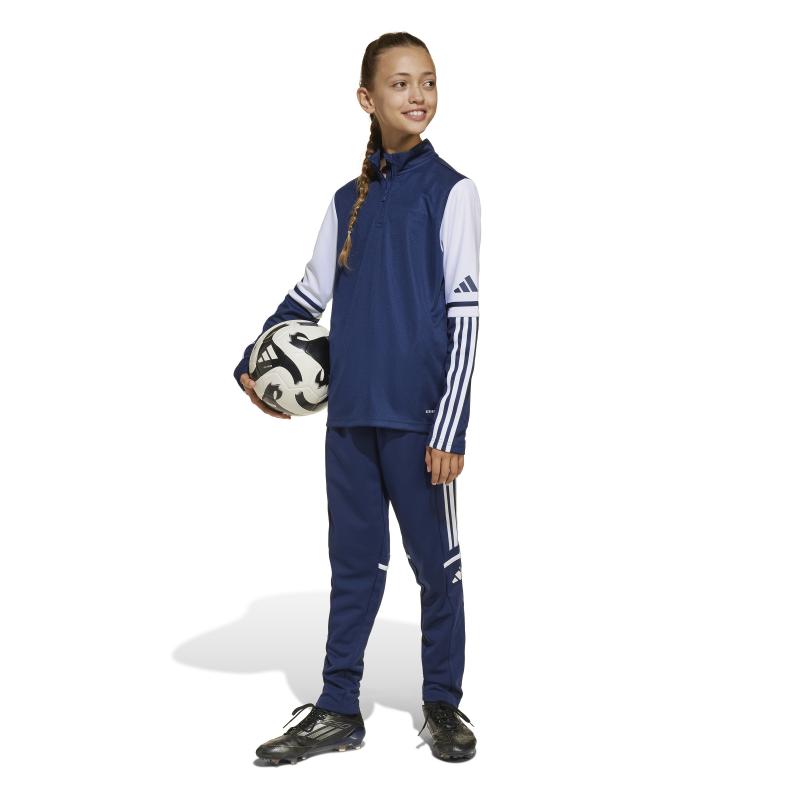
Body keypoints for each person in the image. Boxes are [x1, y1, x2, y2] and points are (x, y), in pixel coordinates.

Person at [234, 32, 481, 765]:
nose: (418, 95)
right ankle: (339, 707)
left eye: (428, 81)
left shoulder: (452, 192)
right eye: (401, 84)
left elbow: (466, 318)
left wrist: (451, 426)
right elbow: (308, 296)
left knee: (436, 566)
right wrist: (251, 364)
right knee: (352, 566)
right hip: (348, 418)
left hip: (419, 421)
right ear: (367, 99)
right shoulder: (347, 201)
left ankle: (443, 702)